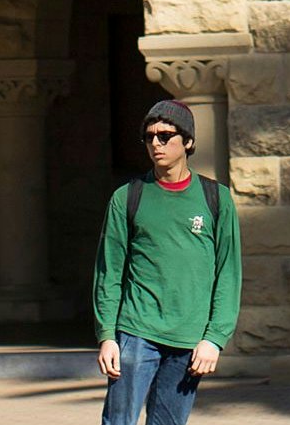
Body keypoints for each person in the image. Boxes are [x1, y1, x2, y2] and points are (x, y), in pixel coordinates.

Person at [94, 99, 240, 425]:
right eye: (149, 137)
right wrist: (107, 336)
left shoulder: (217, 199)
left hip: (189, 339)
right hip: (136, 332)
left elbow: (228, 273)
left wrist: (214, 338)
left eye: (165, 136)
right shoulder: (127, 197)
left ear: (187, 141)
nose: (156, 144)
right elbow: (109, 271)